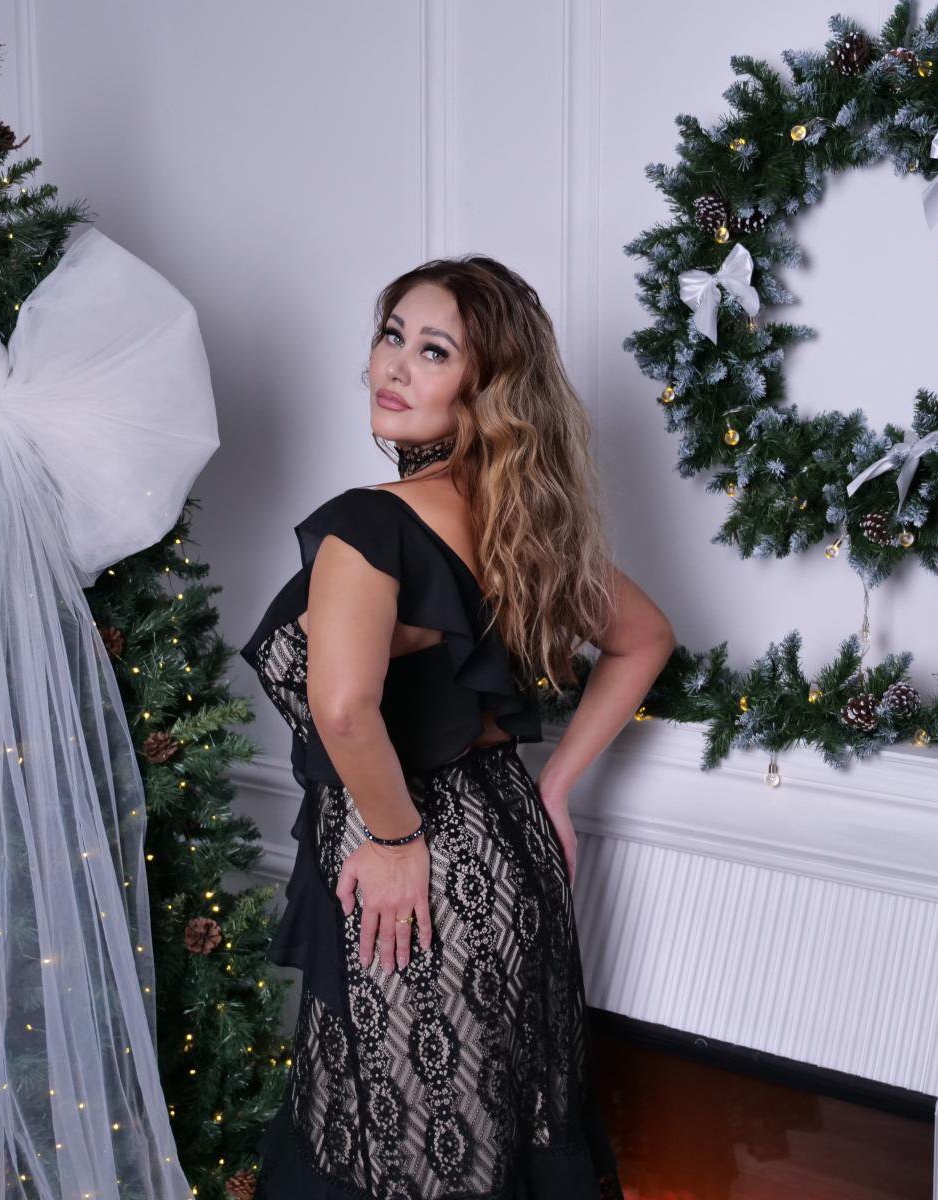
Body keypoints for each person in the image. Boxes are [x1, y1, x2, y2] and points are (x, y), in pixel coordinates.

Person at [240, 254, 675, 1197]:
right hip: (508, 852)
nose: (395, 366)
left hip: (411, 867)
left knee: (406, 1162)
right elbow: (645, 639)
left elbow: (342, 705)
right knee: (500, 1150)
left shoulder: (371, 523)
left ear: (487, 389)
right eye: (391, 335)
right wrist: (552, 785)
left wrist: (398, 839)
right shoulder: (526, 522)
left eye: (433, 351)